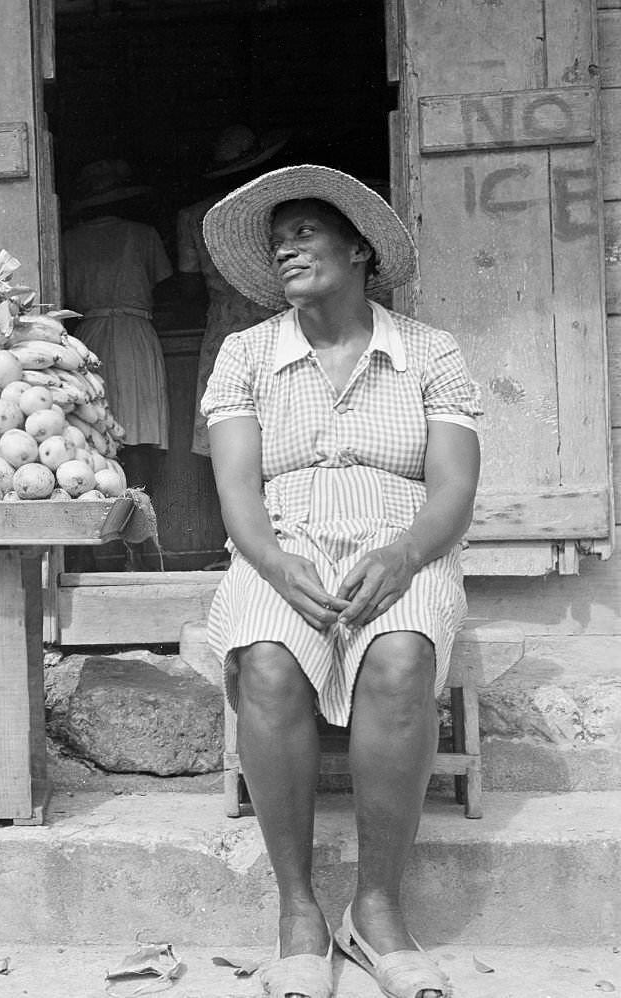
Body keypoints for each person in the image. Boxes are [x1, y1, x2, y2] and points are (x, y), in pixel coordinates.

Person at [200, 165, 482, 998]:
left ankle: (377, 909)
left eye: (304, 233)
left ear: (360, 250)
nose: (285, 249)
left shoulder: (429, 350)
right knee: (266, 661)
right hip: (281, 544)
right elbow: (237, 491)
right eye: (276, 241)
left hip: (401, 547)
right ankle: (299, 913)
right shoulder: (246, 353)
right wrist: (273, 563)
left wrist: (402, 557)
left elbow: (454, 490)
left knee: (400, 657)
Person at [176, 124, 290, 457]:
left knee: (228, 424)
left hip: (226, 328)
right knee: (285, 425)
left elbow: (189, 286)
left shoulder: (194, 216)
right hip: (281, 320)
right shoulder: (278, 210)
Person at [62, 159, 172, 493]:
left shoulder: (68, 241)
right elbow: (164, 286)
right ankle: (139, 510)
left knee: (97, 429)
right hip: (134, 335)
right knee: (136, 432)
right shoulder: (143, 235)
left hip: (88, 339)